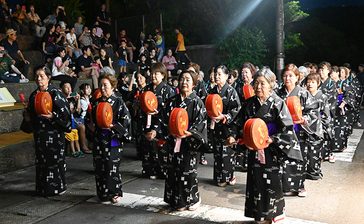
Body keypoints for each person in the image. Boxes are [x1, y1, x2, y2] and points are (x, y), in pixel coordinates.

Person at [237, 66, 301, 224]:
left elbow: (287, 128)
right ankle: (258, 214)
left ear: (271, 84)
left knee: (270, 181)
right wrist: (234, 136)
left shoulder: (277, 103)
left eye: (262, 84)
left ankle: (274, 213)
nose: (258, 87)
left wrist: (273, 139)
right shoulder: (249, 103)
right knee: (255, 180)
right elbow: (238, 123)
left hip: (271, 149)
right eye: (256, 83)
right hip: (254, 148)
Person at [162, 70, 207, 211]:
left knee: (187, 172)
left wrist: (190, 133)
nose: (184, 82)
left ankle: (192, 199)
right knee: (173, 171)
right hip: (173, 141)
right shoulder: (171, 101)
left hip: (189, 143)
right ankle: (177, 200)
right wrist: (169, 132)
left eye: (188, 80)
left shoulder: (197, 102)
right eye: (182, 79)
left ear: (194, 84)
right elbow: (164, 120)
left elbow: (201, 122)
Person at [24, 66, 71, 196]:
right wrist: (27, 117)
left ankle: (58, 188)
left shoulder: (56, 93)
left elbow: (66, 117)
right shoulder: (34, 95)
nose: (39, 79)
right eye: (37, 76)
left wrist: (53, 116)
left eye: (42, 76)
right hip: (40, 136)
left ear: (48, 78)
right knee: (41, 163)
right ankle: (42, 188)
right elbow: (31, 118)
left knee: (55, 162)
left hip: (54, 136)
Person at [276, 64, 316, 197]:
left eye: (291, 76)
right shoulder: (278, 93)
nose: (287, 78)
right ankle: (285, 186)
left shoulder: (303, 93)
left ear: (297, 77)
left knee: (298, 159)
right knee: (284, 158)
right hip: (283, 131)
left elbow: (312, 111)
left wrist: (305, 118)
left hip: (299, 130)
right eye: (285, 75)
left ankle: (300, 186)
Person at [91, 74, 131, 204]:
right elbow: (90, 120)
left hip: (113, 139)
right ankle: (102, 193)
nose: (102, 88)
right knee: (99, 166)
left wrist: (114, 126)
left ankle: (115, 192)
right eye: (101, 85)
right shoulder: (96, 102)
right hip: (99, 139)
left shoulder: (119, 102)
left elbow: (126, 121)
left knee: (111, 165)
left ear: (113, 87)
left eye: (105, 86)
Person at [142, 62, 176, 179]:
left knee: (161, 149)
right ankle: (149, 170)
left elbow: (170, 110)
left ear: (163, 75)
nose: (153, 76)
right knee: (147, 147)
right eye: (152, 73)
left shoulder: (168, 90)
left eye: (157, 73)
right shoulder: (147, 89)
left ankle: (162, 171)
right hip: (147, 121)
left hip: (162, 124)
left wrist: (159, 116)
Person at [209, 65, 241, 187]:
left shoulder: (231, 91)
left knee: (227, 152)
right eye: (216, 74)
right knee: (217, 152)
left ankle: (229, 176)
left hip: (228, 126)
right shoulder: (212, 90)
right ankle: (219, 177)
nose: (217, 76)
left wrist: (225, 117)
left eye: (220, 74)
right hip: (216, 126)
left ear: (227, 76)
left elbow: (237, 109)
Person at [305, 73, 331, 179]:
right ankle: (305, 171)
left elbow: (326, 114)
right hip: (305, 126)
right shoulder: (304, 95)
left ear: (318, 83)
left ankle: (314, 171)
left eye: (313, 82)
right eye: (308, 82)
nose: (310, 84)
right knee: (305, 150)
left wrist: (325, 127)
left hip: (317, 128)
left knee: (315, 151)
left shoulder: (322, 97)